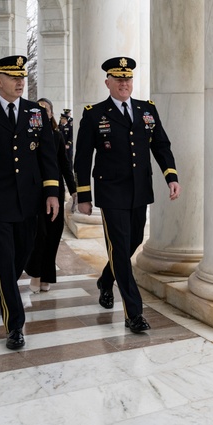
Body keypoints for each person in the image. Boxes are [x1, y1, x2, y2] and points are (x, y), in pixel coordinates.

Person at [0, 56, 61, 350]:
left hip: (30, 199)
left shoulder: (35, 113)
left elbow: (47, 157)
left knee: (24, 253)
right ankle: (15, 325)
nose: (20, 82)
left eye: (22, 77)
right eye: (13, 77)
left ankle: (9, 290)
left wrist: (52, 193)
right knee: (5, 261)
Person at [74, 56, 180, 333]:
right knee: (120, 249)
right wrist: (83, 195)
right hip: (111, 192)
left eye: (128, 79)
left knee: (131, 242)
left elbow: (161, 145)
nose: (124, 83)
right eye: (119, 79)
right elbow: (83, 157)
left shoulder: (147, 110)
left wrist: (171, 176)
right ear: (107, 82)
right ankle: (134, 313)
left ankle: (105, 280)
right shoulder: (95, 113)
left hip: (139, 189)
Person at [26, 97, 77, 293]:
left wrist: (74, 190)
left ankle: (47, 275)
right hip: (33, 192)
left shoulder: (57, 135)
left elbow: (64, 165)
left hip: (54, 191)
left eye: (45, 110)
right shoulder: (27, 135)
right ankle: (36, 273)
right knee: (39, 235)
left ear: (50, 113)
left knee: (54, 235)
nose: (41, 113)